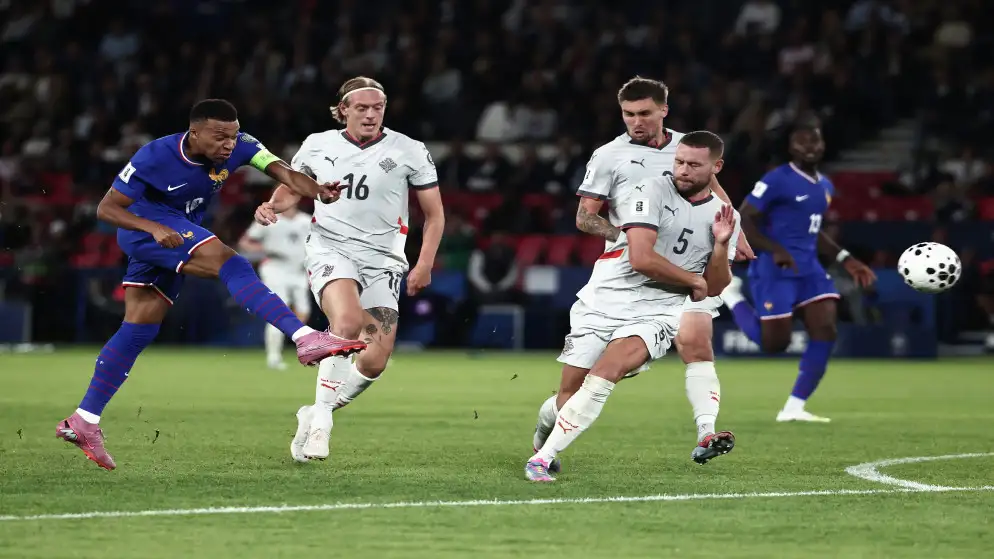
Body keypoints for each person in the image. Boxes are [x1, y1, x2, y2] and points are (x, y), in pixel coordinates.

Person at [56, 99, 365, 470]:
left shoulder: (244, 146)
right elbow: (107, 209)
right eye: (219, 136)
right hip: (147, 228)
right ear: (195, 132)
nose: (228, 144)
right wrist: (153, 228)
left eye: (233, 135)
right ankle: (304, 337)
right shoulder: (155, 155)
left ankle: (84, 420)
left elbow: (285, 173)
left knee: (139, 328)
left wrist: (318, 191)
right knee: (232, 263)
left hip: (177, 231)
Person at [549, 76, 750, 462]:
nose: (635, 122)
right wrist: (625, 237)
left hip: (690, 264)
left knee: (696, 341)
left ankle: (706, 432)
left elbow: (714, 189)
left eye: (644, 113)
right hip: (633, 272)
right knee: (583, 379)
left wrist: (735, 233)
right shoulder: (609, 156)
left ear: (664, 111)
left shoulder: (688, 147)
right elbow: (584, 217)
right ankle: (548, 429)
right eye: (628, 114)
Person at [253, 77, 445, 463]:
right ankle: (322, 423)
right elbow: (292, 188)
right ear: (343, 110)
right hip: (331, 247)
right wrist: (272, 205)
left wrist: (424, 263)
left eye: (378, 107)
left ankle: (314, 410)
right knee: (346, 322)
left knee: (374, 360)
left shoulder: (409, 149)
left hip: (384, 259)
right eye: (362, 108)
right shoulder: (318, 143)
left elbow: (435, 214)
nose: (371, 114)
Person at [720, 123, 876, 422]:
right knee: (774, 344)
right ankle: (732, 295)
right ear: (791, 148)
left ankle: (794, 407)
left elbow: (814, 231)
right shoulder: (777, 179)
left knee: (826, 329)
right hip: (774, 268)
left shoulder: (825, 186)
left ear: (823, 145)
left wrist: (846, 259)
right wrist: (775, 249)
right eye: (802, 142)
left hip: (810, 269)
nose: (810, 147)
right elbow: (744, 219)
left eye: (815, 141)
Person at [238, 201, 313, 370]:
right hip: (275, 268)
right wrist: (266, 248)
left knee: (303, 311)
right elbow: (245, 242)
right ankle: (274, 356)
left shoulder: (306, 220)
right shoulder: (269, 219)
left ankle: (300, 348)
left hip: (298, 269)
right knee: (279, 309)